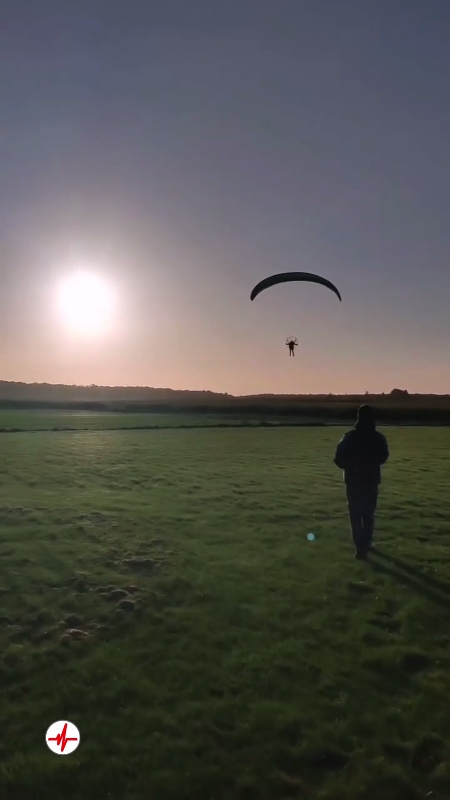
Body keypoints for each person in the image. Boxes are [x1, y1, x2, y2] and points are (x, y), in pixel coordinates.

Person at [333, 405, 389, 559]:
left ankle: (359, 547)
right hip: (371, 479)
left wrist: (350, 466)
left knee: (355, 514)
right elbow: (383, 457)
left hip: (353, 480)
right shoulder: (378, 437)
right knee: (368, 514)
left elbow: (338, 458)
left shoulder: (349, 437)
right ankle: (367, 543)